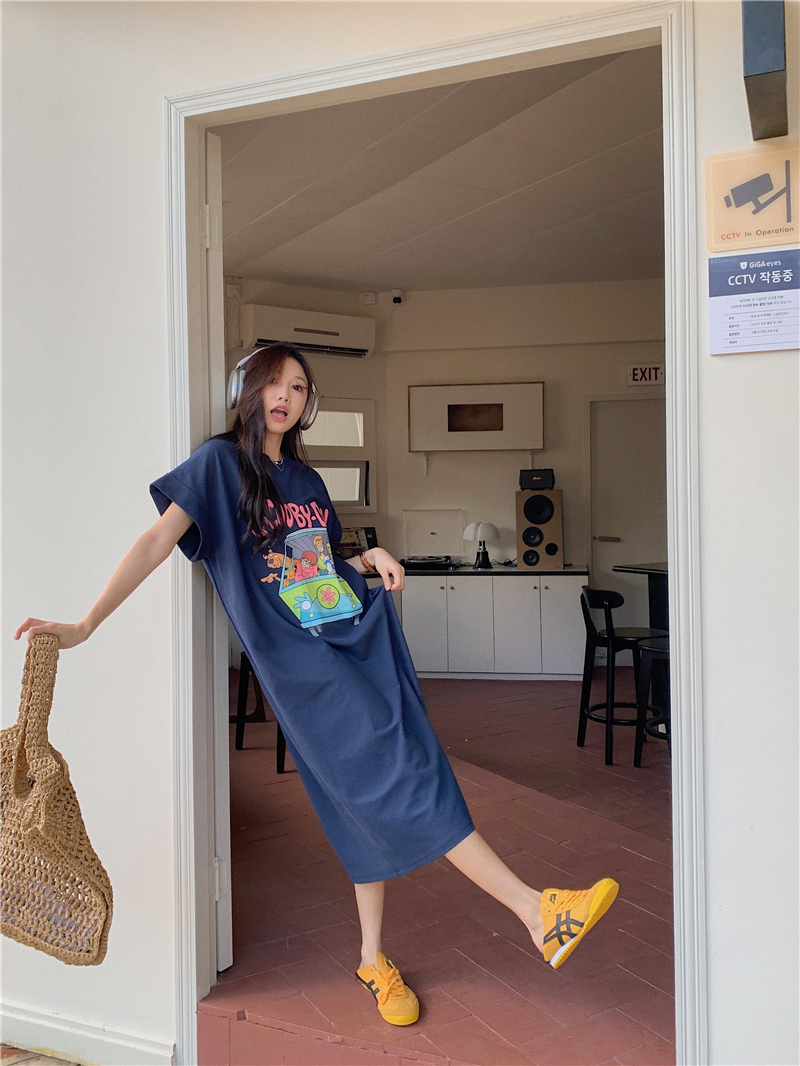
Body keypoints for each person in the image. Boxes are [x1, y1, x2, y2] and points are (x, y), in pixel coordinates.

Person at [15, 343, 619, 1027]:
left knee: (372, 787)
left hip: (351, 636)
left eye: (299, 387)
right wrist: (86, 624)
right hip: (301, 668)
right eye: (273, 382)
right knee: (404, 771)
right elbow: (157, 541)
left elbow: (319, 569)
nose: (285, 395)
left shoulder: (306, 480)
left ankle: (372, 959)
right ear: (247, 390)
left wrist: (369, 554)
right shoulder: (218, 465)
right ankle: (537, 912)